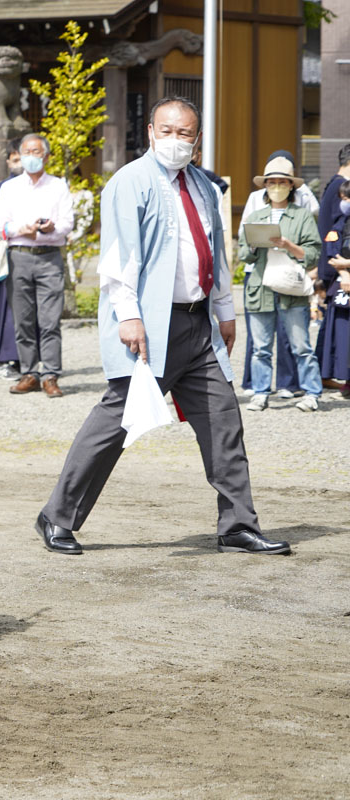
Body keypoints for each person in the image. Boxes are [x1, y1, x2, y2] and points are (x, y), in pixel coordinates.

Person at [35, 97, 290, 557]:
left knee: (224, 421)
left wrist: (226, 310)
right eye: (167, 131)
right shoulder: (129, 182)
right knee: (115, 423)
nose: (176, 140)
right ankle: (57, 517)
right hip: (150, 325)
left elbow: (215, 252)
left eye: (185, 133)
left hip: (198, 325)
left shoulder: (204, 186)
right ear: (151, 131)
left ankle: (237, 524)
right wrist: (128, 315)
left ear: (197, 140)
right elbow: (118, 259)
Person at [0, 133, 74, 398]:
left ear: (46, 156)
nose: (30, 156)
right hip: (19, 256)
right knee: (23, 319)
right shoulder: (10, 187)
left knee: (50, 320)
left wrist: (46, 230)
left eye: (36, 151)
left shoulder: (59, 186)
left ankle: (50, 374)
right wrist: (22, 229)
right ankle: (29, 372)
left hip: (50, 256)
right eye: (26, 151)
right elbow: (1, 225)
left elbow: (66, 224)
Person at [238, 157, 322, 412]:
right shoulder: (256, 215)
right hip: (261, 288)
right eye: (271, 182)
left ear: (291, 186)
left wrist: (289, 245)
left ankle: (311, 393)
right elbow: (244, 254)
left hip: (291, 289)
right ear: (265, 186)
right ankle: (261, 393)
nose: (276, 186)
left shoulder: (302, 216)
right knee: (260, 347)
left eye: (281, 182)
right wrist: (253, 243)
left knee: (301, 345)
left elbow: (313, 252)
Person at [0, 138, 24, 380]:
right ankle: (5, 359)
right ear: (8, 161)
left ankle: (26, 360)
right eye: (16, 158)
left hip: (37, 255)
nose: (21, 163)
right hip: (11, 253)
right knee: (8, 308)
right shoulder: (4, 187)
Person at [317, 145, 350, 393]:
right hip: (337, 264)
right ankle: (326, 372)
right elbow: (331, 231)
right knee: (335, 324)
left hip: (334, 265)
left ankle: (324, 372)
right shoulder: (339, 187)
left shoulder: (332, 185)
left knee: (330, 324)